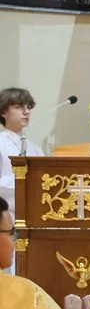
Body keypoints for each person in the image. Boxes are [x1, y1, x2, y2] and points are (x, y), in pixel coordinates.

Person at [0, 87, 44, 274]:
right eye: (19, 106)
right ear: (3, 112)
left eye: (28, 107)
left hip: (34, 225)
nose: (26, 111)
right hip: (8, 224)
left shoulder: (34, 148)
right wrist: (26, 184)